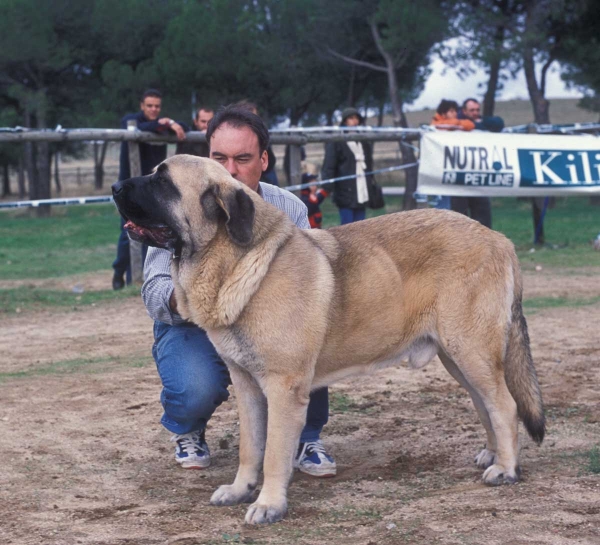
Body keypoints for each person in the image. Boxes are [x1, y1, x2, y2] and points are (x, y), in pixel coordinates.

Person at [142, 104, 337, 477]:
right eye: (219, 157)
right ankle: (188, 428)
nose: (230, 170)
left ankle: (306, 436)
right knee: (196, 387)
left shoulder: (289, 207)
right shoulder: (173, 207)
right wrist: (199, 297)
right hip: (195, 327)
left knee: (306, 343)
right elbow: (154, 292)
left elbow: (309, 287)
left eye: (243, 158)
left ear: (264, 159)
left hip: (273, 329)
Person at [112, 89, 186, 290]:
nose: (154, 109)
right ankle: (120, 274)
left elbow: (184, 127)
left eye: (157, 106)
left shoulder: (162, 126)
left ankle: (146, 277)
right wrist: (166, 124)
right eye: (150, 105)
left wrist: (170, 124)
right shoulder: (133, 122)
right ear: (142, 106)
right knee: (127, 232)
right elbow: (130, 125)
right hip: (129, 190)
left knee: (150, 233)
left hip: (151, 192)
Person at [322, 107, 379, 225]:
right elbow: (329, 165)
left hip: (362, 189)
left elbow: (368, 165)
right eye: (351, 118)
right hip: (344, 190)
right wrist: (327, 186)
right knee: (347, 227)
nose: (355, 121)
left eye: (357, 118)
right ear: (345, 121)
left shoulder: (363, 141)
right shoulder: (336, 141)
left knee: (361, 227)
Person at [234, 100, 279, 186]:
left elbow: (270, 158)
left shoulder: (260, 131)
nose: (256, 120)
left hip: (267, 173)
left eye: (256, 117)